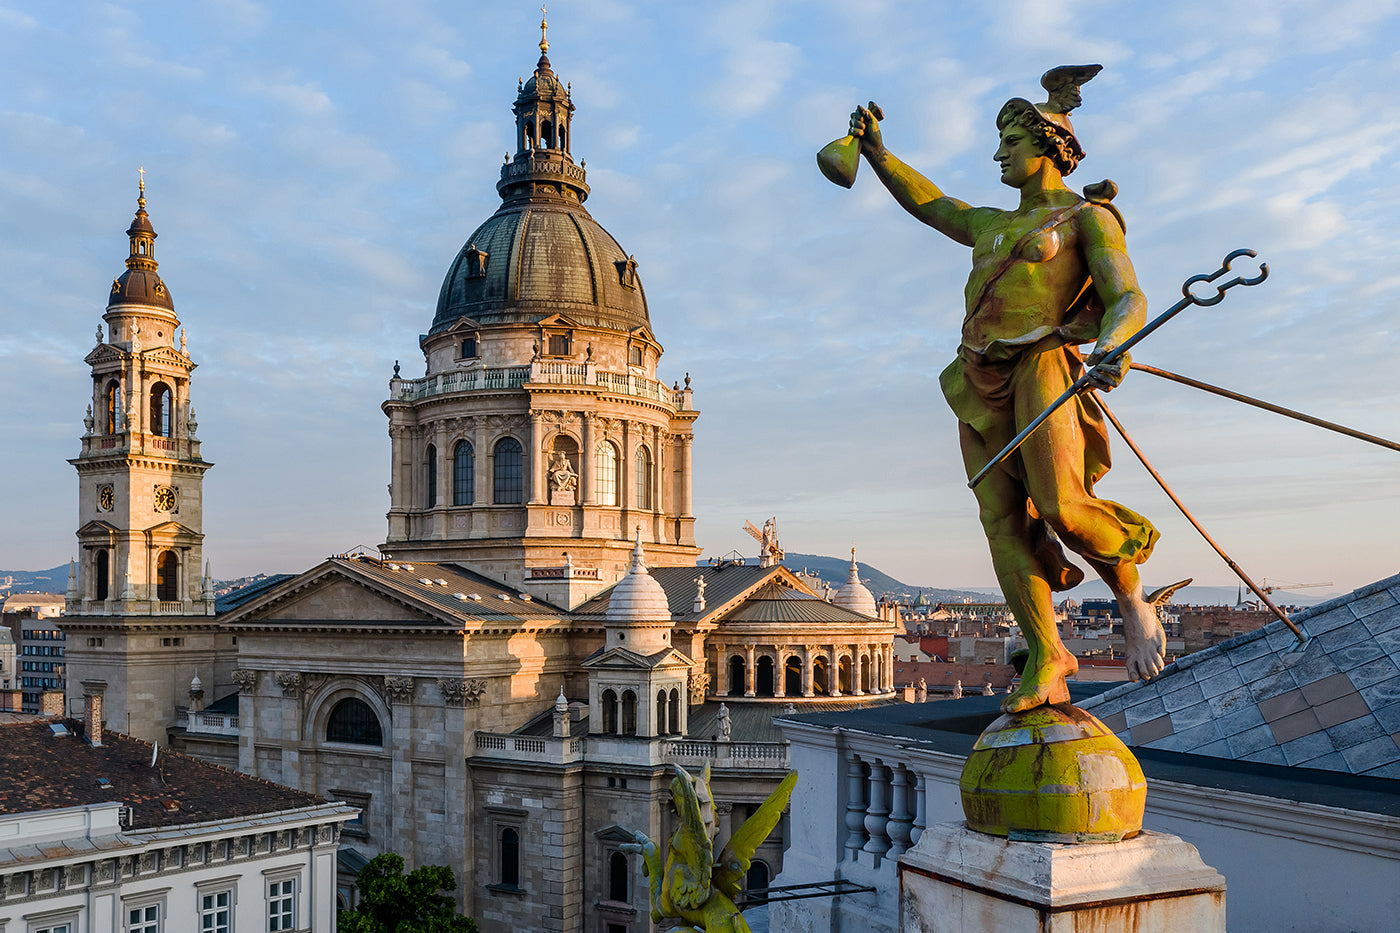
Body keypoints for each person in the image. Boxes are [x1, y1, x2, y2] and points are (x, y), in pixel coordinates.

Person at [848, 65, 1169, 713]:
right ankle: (1048, 653)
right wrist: (879, 155)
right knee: (1001, 520)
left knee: (1060, 504)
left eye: (1010, 143)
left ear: (1049, 147)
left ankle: (1132, 598)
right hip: (977, 375)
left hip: (1042, 364)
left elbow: (1127, 295)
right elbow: (931, 203)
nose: (998, 154)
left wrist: (1113, 345)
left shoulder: (1087, 217)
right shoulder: (989, 223)